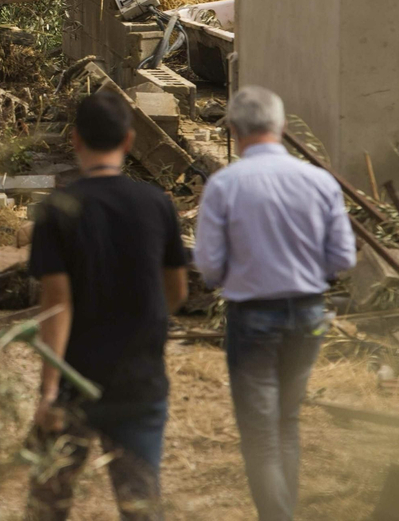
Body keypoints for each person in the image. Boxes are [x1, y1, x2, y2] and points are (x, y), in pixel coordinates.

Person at [193, 86, 356, 521]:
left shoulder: (224, 184)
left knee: (261, 434)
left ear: (233, 128)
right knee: (287, 422)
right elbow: (343, 258)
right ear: (281, 126)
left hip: (253, 317)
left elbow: (208, 266)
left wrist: (243, 271)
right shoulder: (319, 180)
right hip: (308, 314)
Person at [27, 89, 190, 521]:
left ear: (76, 139)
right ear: (130, 141)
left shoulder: (57, 210)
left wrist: (48, 393)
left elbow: (57, 305)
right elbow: (176, 291)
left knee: (48, 502)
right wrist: (144, 324)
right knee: (141, 505)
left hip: (75, 385)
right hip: (140, 381)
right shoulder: (157, 204)